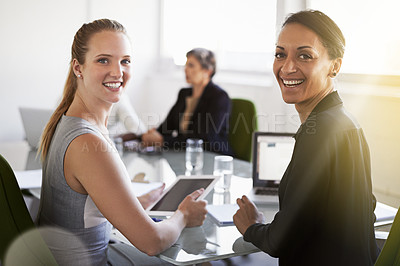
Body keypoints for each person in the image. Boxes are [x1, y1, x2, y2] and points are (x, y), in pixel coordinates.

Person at [37, 19, 207, 265]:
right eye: (103, 60)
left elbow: (85, 206)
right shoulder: (87, 141)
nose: (118, 72)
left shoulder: (68, 123)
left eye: (125, 61)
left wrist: (135, 204)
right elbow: (152, 242)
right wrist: (183, 215)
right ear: (78, 68)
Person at [233, 10, 379, 266]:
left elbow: (279, 241)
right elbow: (367, 208)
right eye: (280, 54)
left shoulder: (319, 132)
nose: (287, 67)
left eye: (305, 56)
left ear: (335, 66)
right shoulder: (346, 121)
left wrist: (251, 227)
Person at [141, 48, 234, 155]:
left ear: (207, 71)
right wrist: (152, 135)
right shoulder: (184, 93)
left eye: (191, 65)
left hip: (211, 157)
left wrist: (163, 141)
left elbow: (204, 140)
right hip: (184, 155)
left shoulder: (219, 97)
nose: (185, 69)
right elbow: (167, 127)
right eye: (186, 65)